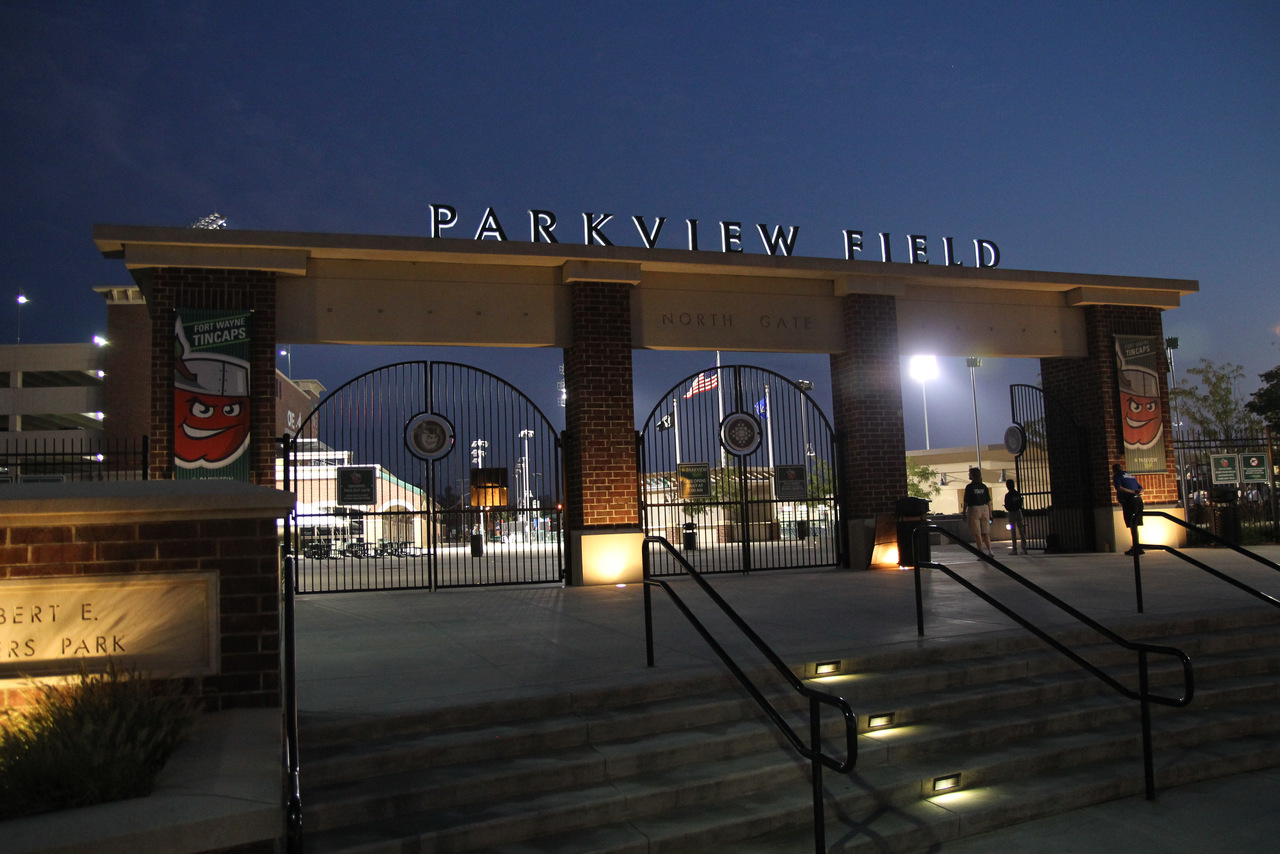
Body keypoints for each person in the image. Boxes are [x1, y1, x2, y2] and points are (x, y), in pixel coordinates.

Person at [1112, 463, 1144, 555]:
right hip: (1138, 501)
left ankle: (1136, 547)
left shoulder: (1117, 476)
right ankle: (1137, 546)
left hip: (1129, 502)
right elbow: (1141, 488)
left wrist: (1132, 492)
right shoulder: (1130, 476)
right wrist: (1138, 492)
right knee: (1135, 524)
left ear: (1114, 470)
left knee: (1132, 524)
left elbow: (1119, 488)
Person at [963, 467, 993, 556]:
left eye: (969, 474)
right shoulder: (984, 486)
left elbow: (966, 501)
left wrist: (964, 512)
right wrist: (990, 513)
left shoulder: (969, 487)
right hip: (984, 508)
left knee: (977, 533)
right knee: (985, 532)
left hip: (974, 509)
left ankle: (981, 552)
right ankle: (990, 550)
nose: (968, 475)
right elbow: (988, 501)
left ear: (972, 475)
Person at [1004, 479, 1028, 555]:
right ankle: (1024, 548)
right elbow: (1021, 503)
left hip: (1011, 513)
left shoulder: (1008, 495)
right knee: (1021, 530)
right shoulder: (1017, 494)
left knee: (1013, 531)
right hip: (1018, 512)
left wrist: (1007, 507)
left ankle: (1014, 549)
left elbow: (1007, 506)